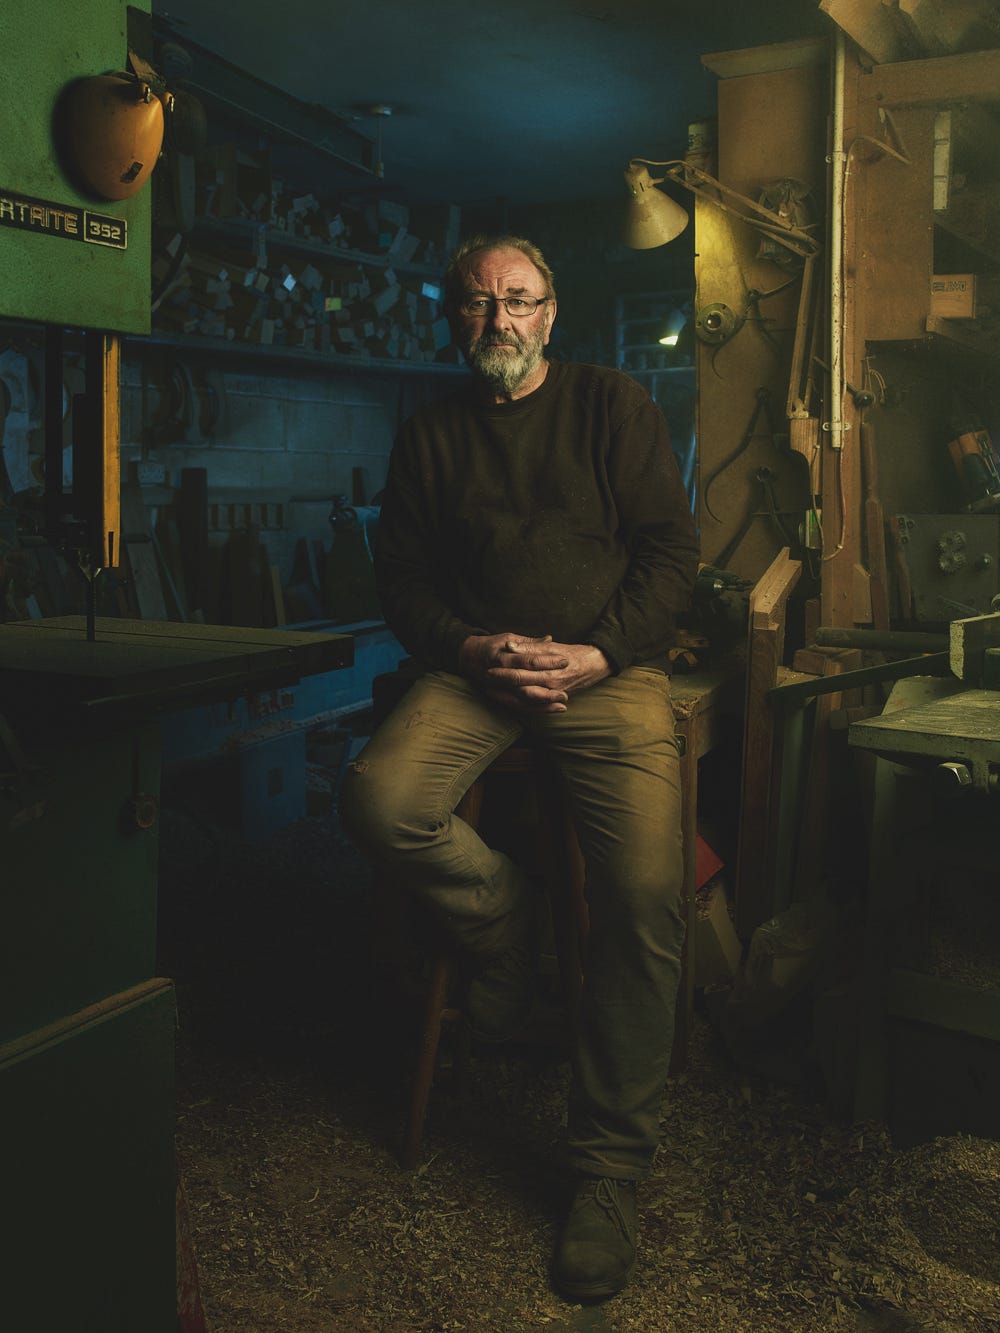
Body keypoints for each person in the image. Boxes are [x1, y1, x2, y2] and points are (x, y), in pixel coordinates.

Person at [339, 233, 699, 1302]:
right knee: (377, 801)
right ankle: (508, 920)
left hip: (604, 670)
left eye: (519, 300)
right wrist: (470, 649)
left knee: (641, 891)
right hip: (480, 669)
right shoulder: (431, 434)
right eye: (477, 303)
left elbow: (671, 560)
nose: (497, 320)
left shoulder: (612, 406)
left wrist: (597, 651)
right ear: (452, 318)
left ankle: (606, 1171)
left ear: (552, 313)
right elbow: (400, 581)